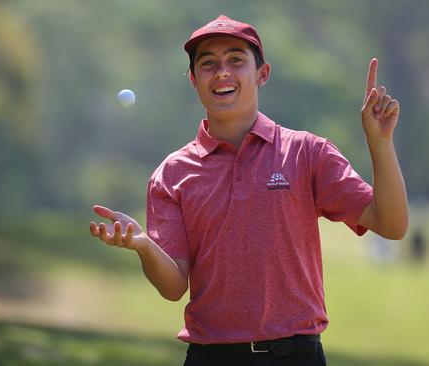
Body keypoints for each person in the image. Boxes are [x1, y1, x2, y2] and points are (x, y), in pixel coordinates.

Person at [89, 15, 408, 366]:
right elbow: (173, 287)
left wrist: (380, 143)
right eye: (208, 64)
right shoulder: (172, 175)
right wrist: (145, 246)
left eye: (235, 60)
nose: (222, 72)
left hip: (295, 355)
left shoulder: (306, 153)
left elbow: (391, 225)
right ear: (194, 81)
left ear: (262, 74)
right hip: (211, 357)